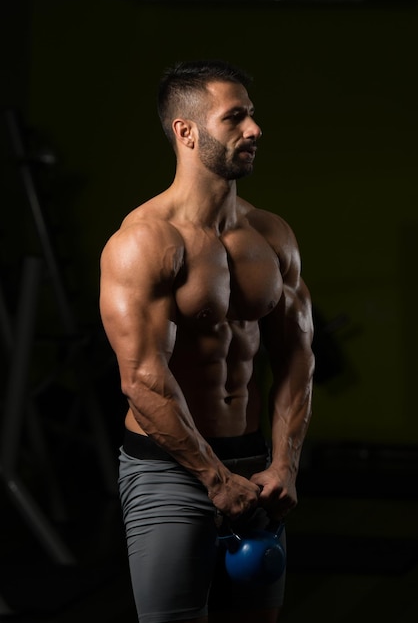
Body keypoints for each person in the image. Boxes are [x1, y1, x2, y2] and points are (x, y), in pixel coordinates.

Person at [99, 60, 314, 623]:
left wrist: (285, 465)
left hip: (256, 467)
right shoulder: (144, 242)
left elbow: (296, 355)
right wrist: (215, 480)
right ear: (187, 132)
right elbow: (142, 379)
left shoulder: (272, 236)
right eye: (235, 117)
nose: (255, 129)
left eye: (253, 115)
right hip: (169, 469)